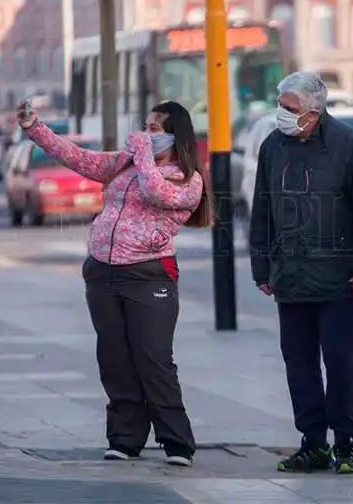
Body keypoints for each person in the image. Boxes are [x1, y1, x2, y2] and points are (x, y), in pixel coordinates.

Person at [16, 100, 212, 466]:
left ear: (175, 135)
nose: (146, 133)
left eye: (155, 129)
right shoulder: (125, 163)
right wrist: (35, 129)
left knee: (153, 358)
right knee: (115, 358)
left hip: (148, 274)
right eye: (146, 125)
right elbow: (79, 158)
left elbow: (155, 193)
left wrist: (143, 155)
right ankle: (125, 438)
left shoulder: (186, 179)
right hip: (104, 271)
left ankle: (177, 442)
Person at [249, 71, 353, 474]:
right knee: (298, 363)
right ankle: (312, 443)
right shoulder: (273, 147)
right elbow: (263, 210)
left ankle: (345, 443)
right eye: (280, 105)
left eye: (289, 108)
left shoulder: (349, 146)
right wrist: (263, 265)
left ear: (313, 112)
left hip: (339, 280)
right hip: (290, 278)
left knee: (341, 361)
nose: (281, 114)